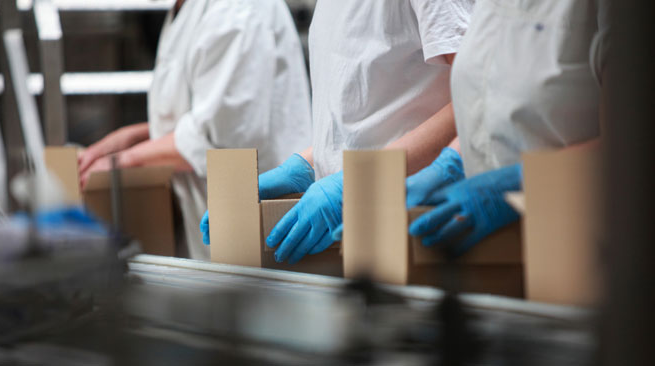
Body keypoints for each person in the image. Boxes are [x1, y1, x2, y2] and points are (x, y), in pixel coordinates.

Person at [202, 0, 476, 264]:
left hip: (417, 220)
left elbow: (478, 97)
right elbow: (366, 109)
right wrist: (309, 163)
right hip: (351, 230)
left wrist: (365, 179)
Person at [77, 0, 312, 260]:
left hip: (260, 240)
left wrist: (127, 160)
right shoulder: (185, 8)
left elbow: (222, 138)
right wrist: (132, 137)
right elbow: (203, 114)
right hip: (213, 231)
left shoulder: (237, 8)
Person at [405, 0, 608, 254]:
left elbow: (635, 141)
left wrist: (523, 182)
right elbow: (490, 99)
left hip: (582, 253)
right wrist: (449, 164)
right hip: (498, 252)